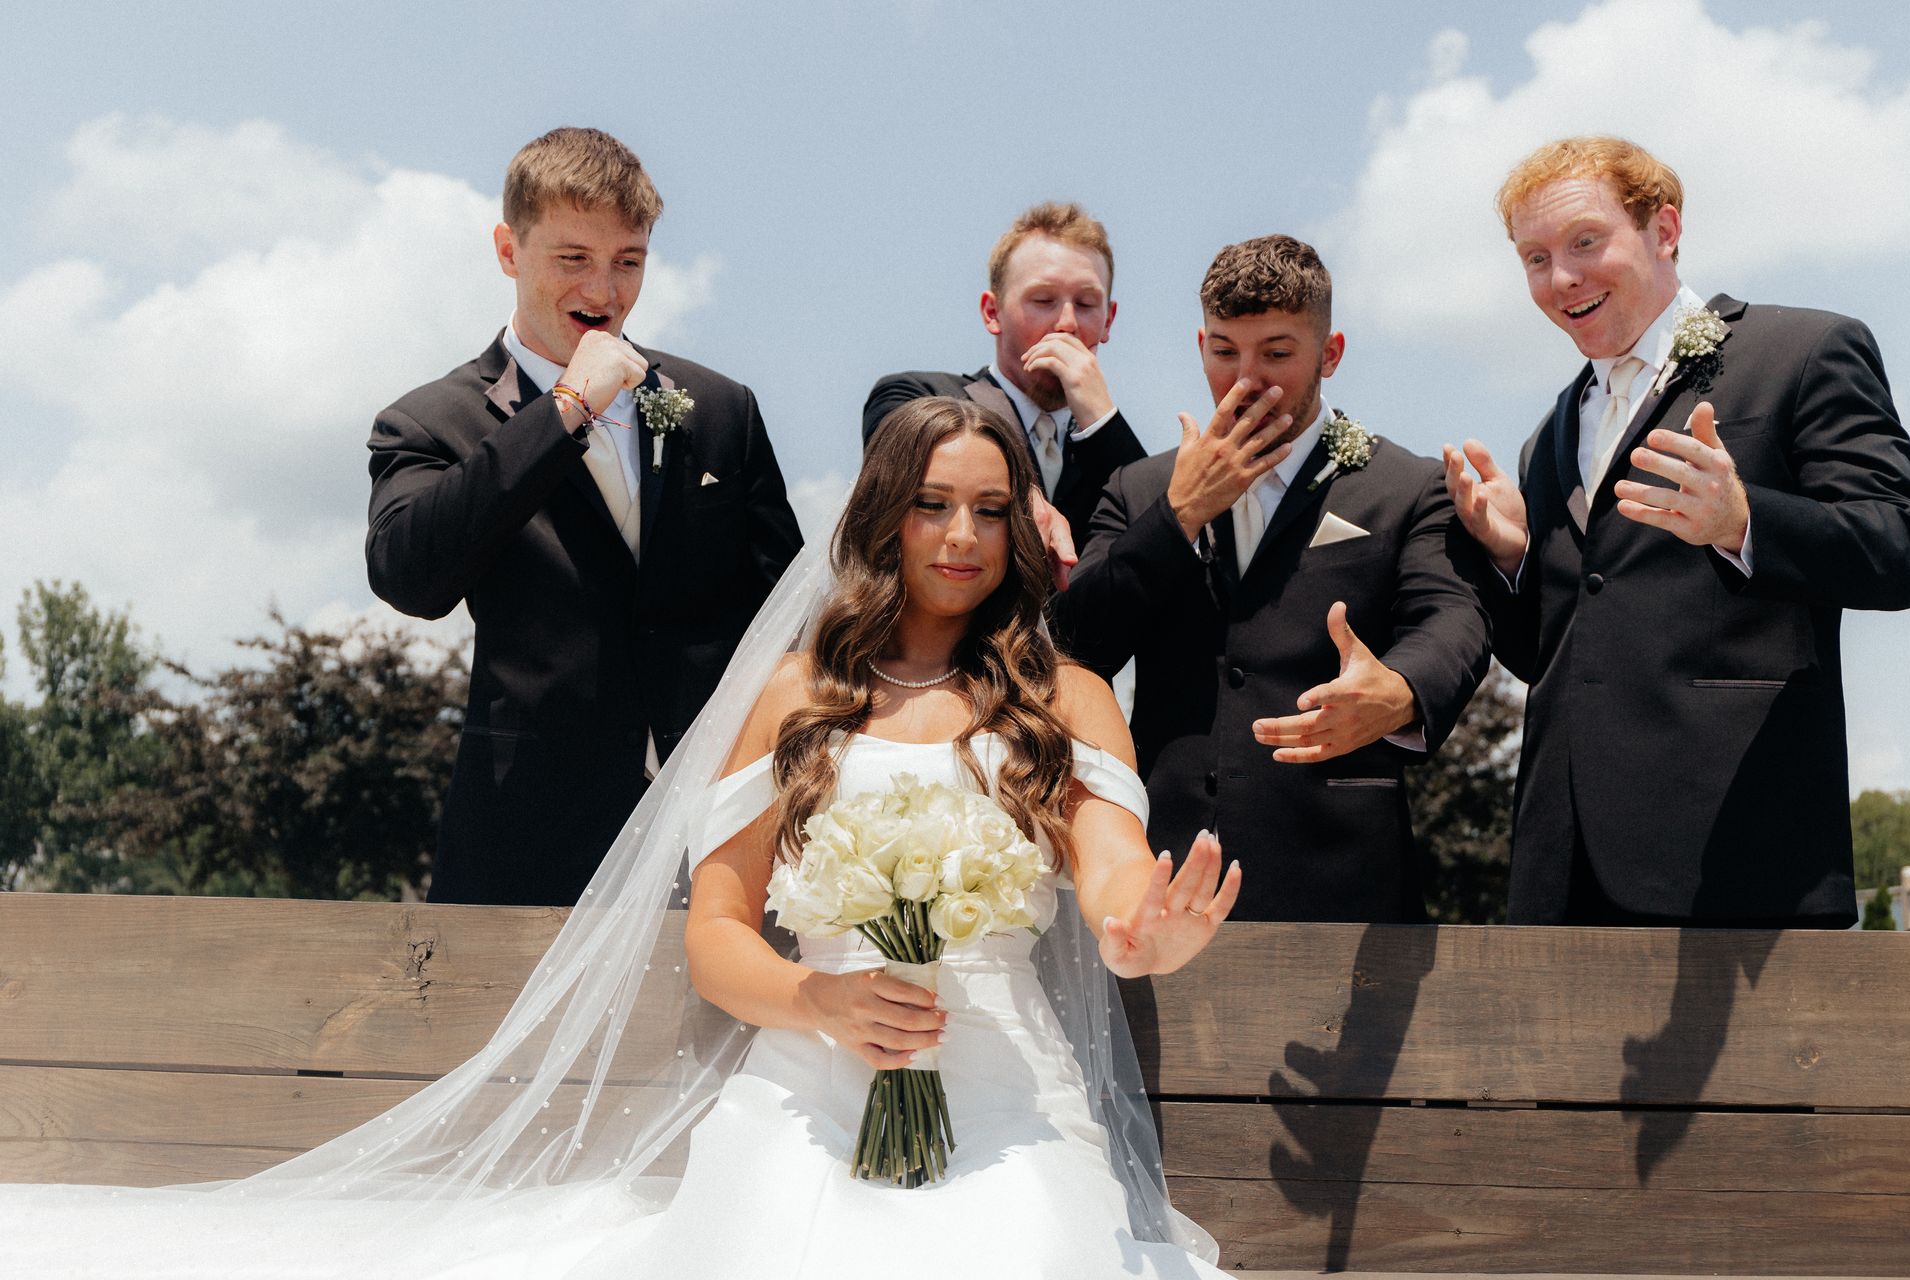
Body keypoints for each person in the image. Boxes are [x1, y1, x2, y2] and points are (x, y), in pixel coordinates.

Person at [0, 399, 1242, 1279]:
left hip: (1007, 1098)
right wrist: (816, 993)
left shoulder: (1063, 695)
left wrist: (1155, 933)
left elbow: (1117, 895)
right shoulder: (801, 692)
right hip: (805, 1093)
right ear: (883, 516)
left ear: (1020, 525)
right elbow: (714, 933)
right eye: (929, 505)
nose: (961, 535)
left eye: (985, 507)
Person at [1443, 136, 1910, 926]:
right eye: (1534, 258)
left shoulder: (1803, 353)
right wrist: (1512, 560)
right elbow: (1557, 656)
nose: (1560, 278)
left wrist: (1744, 522)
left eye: (1585, 242)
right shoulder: (1546, 440)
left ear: (1664, 231)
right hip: (1564, 876)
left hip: (1741, 863)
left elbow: (1897, 549)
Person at [365, 127, 803, 906]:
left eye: (628, 262)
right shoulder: (431, 421)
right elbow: (410, 577)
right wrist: (563, 410)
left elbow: (791, 627)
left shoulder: (721, 410)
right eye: (574, 259)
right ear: (509, 249)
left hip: (723, 834)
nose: (604, 293)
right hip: (529, 842)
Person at [1054, 235, 1490, 922]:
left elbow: (1452, 619)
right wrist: (1180, 515)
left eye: (1277, 353)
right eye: (1224, 352)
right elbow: (1076, 643)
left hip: (1342, 881)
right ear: (1201, 345)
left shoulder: (1406, 487)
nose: (1246, 378)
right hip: (1158, 878)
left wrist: (1401, 690)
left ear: (1331, 352)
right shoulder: (1140, 491)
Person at [862, 202, 1147, 564]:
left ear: (1110, 319)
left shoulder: (1107, 447)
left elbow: (1164, 538)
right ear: (992, 312)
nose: (1067, 323)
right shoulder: (914, 394)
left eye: (1087, 303)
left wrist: (1103, 420)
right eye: (1043, 300)